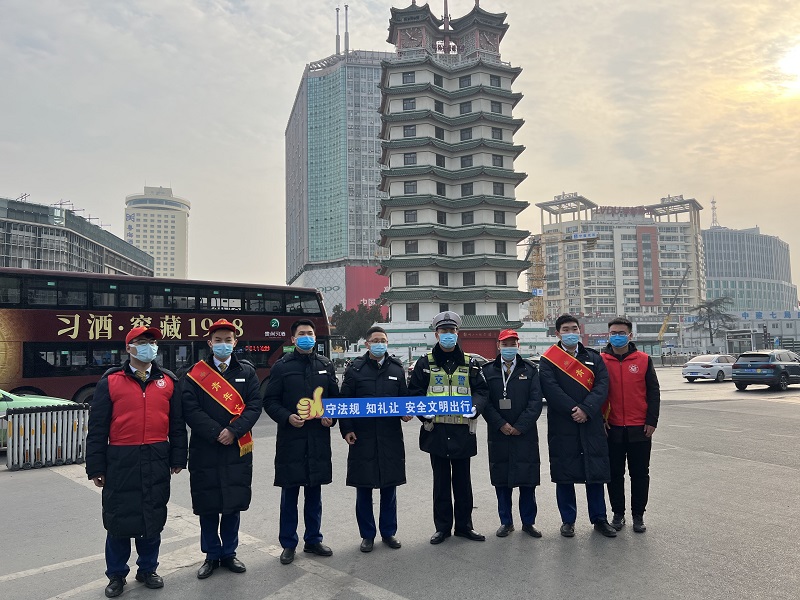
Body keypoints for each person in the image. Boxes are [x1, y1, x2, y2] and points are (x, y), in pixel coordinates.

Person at [86, 326, 187, 598]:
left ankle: (148, 569)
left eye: (151, 342)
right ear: (128, 348)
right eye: (141, 342)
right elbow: (97, 428)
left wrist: (179, 456)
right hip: (121, 458)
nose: (148, 346)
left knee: (152, 515)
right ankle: (116, 574)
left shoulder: (168, 381)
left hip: (157, 455)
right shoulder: (111, 381)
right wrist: (95, 467)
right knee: (118, 519)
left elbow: (177, 424)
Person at [181, 319, 263, 579]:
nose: (223, 344)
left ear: (235, 343)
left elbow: (254, 406)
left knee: (232, 504)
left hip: (236, 448)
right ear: (210, 343)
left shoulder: (247, 372)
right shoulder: (195, 374)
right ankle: (211, 555)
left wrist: (233, 431)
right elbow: (190, 408)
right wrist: (217, 432)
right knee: (207, 505)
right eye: (218, 340)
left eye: (228, 340)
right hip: (205, 448)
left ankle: (229, 553)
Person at [408, 311, 489, 544]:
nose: (448, 335)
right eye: (444, 331)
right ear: (436, 334)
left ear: (457, 333)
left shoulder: (470, 362)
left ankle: (464, 526)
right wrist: (423, 411)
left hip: (463, 431)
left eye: (452, 331)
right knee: (441, 483)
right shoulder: (425, 363)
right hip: (436, 432)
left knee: (463, 483)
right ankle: (442, 528)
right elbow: (414, 392)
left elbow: (482, 390)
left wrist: (475, 407)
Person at [264, 319, 339, 565]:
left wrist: (331, 417)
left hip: (318, 439)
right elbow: (270, 401)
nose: (307, 337)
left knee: (314, 494)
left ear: (315, 338)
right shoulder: (282, 367)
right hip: (291, 440)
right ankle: (288, 543)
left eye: (310, 334)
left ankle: (313, 539)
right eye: (302, 334)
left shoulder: (325, 365)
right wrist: (287, 417)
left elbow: (335, 400)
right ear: (293, 339)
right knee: (290, 494)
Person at [538, 314, 616, 538]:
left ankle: (599, 518)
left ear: (579, 331)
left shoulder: (594, 357)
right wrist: (574, 410)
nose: (570, 332)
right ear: (557, 333)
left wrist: (586, 409)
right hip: (563, 423)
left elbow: (602, 385)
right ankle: (568, 520)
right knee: (564, 474)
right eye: (566, 329)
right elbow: (550, 389)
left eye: (574, 328)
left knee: (595, 472)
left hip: (591, 422)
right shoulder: (548, 360)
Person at [339, 326, 411, 553]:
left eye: (383, 340)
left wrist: (406, 412)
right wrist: (347, 429)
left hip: (390, 436)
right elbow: (344, 402)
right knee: (364, 488)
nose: (380, 344)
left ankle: (388, 532)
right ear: (367, 344)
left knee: (389, 487)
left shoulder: (397, 368)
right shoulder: (355, 370)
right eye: (375, 340)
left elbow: (404, 399)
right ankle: (367, 535)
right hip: (363, 437)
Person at [481, 329, 544, 538]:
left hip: (525, 433)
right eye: (505, 344)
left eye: (512, 344)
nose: (509, 348)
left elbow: (536, 401)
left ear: (518, 346)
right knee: (502, 481)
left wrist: (520, 425)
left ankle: (528, 522)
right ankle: (506, 522)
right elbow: (484, 401)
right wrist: (500, 424)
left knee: (527, 480)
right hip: (499, 433)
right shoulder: (487, 370)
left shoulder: (530, 369)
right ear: (498, 346)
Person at [601, 317, 661, 533]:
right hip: (612, 427)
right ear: (608, 335)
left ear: (630, 335)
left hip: (640, 428)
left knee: (640, 473)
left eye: (621, 333)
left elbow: (653, 392)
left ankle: (638, 515)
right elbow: (596, 392)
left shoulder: (643, 360)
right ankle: (618, 513)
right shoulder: (601, 361)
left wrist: (651, 420)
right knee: (614, 474)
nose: (617, 336)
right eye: (613, 333)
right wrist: (601, 419)